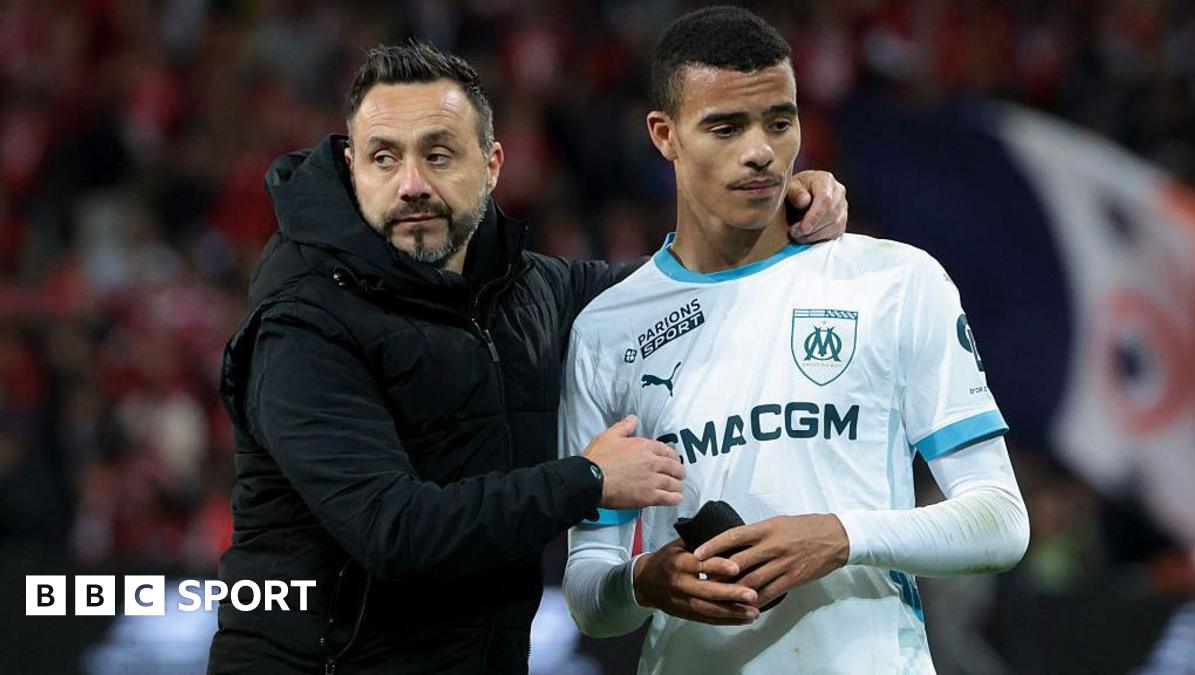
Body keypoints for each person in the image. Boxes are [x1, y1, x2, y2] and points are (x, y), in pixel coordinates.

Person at [206, 41, 849, 674]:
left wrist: (777, 209)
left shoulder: (530, 291)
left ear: (492, 164)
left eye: (438, 155)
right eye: (384, 158)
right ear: (352, 167)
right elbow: (392, 530)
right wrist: (587, 480)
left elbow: (676, 289)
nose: (411, 185)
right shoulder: (304, 325)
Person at [559, 7, 1030, 674]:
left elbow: (1001, 521)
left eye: (779, 122)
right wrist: (642, 582)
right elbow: (589, 588)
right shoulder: (607, 330)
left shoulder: (894, 281)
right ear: (664, 135)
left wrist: (840, 536)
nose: (761, 150)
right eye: (726, 127)